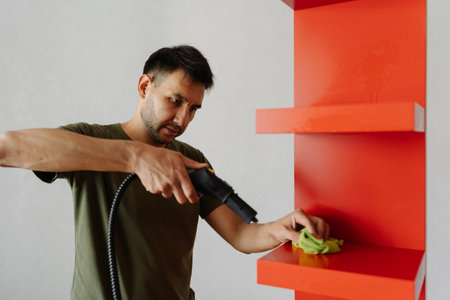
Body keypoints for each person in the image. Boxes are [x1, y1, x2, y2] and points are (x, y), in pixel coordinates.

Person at [0, 45, 330, 300]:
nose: (183, 120)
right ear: (145, 86)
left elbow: (242, 235)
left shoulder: (191, 159)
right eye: (175, 100)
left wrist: (280, 229)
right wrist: (135, 158)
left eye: (194, 109)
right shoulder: (92, 140)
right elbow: (8, 149)